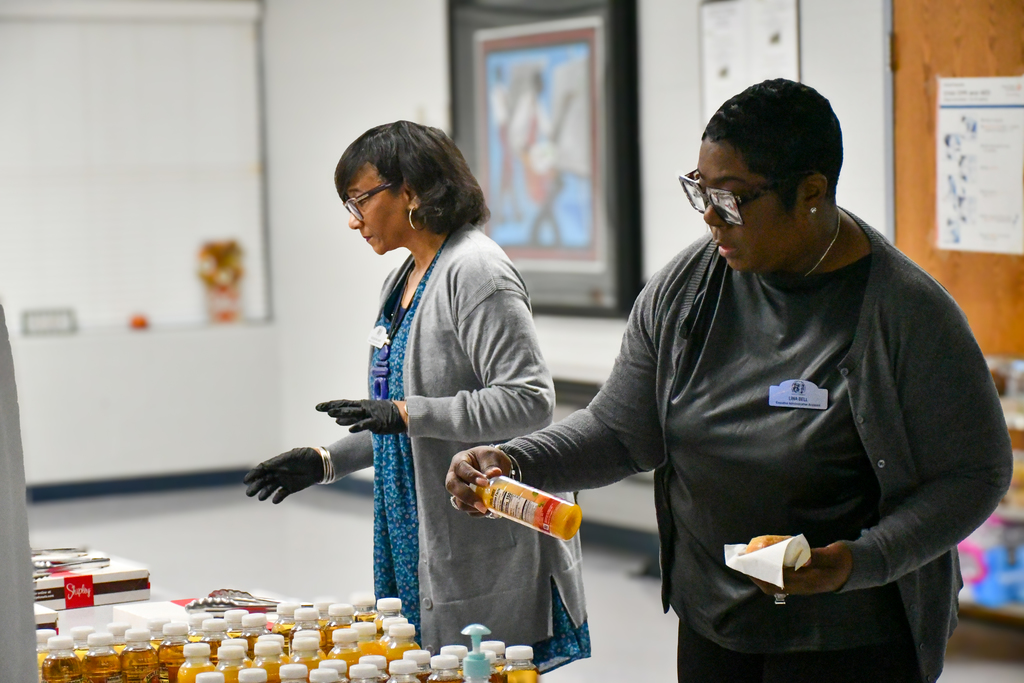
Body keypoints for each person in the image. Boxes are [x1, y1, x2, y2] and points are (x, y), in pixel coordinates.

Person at [446, 80, 1013, 683]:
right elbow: (620, 431)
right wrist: (515, 460)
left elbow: (975, 474)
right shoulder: (687, 288)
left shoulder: (907, 314)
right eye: (701, 190)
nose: (711, 217)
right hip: (713, 619)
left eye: (733, 199)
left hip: (852, 634)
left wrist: (861, 560)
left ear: (812, 191)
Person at [243, 121, 590, 670]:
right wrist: (326, 460)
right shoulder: (403, 278)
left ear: (410, 191)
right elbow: (403, 421)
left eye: (360, 199)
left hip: (480, 525)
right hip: (414, 524)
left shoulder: (476, 272)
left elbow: (528, 399)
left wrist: (403, 412)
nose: (353, 220)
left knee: (479, 667)